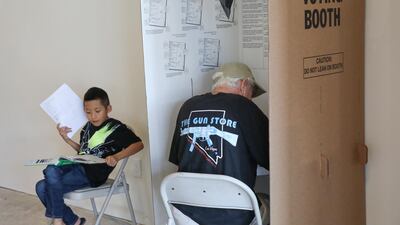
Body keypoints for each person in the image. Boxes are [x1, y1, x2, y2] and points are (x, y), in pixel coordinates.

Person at [169, 62, 269, 225]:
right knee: (268, 204)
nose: (251, 98)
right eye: (252, 92)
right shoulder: (247, 107)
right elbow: (275, 158)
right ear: (244, 85)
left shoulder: (188, 106)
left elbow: (179, 159)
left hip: (186, 211)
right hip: (233, 214)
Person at [36, 87, 144, 225]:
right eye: (88, 112)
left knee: (51, 171)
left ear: (108, 108)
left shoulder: (116, 128)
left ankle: (58, 220)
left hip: (93, 174)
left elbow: (138, 144)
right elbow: (84, 151)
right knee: (40, 186)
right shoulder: (87, 127)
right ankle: (74, 221)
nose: (93, 116)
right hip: (79, 167)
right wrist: (66, 139)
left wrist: (116, 157)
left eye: (97, 111)